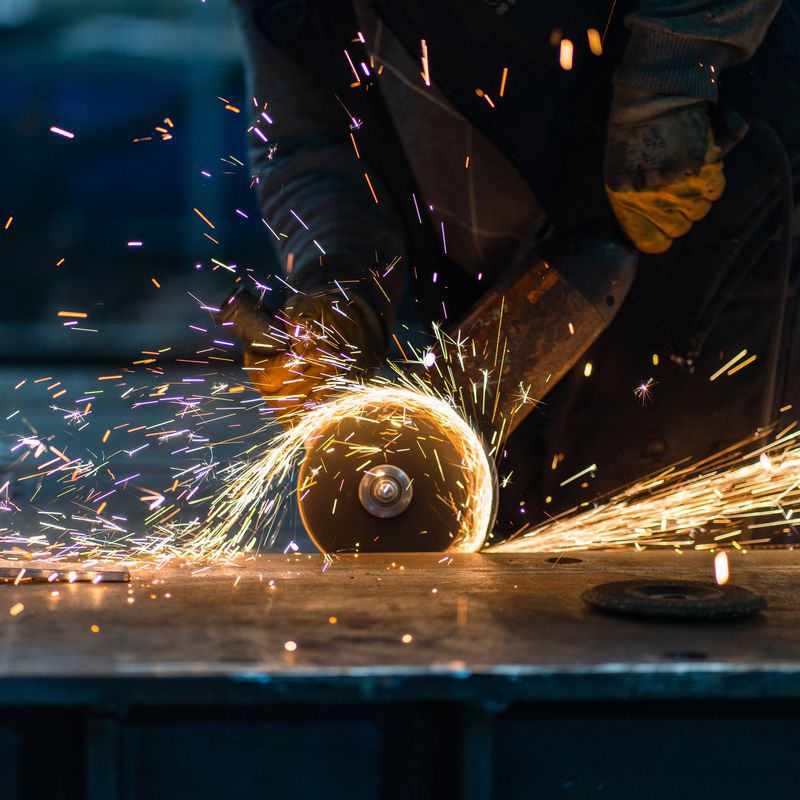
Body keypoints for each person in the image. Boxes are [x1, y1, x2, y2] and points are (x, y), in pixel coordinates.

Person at [228, 0, 799, 534]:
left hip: (709, 250)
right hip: (485, 307)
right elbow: (308, 146)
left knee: (694, 575)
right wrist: (339, 287)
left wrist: (671, 81)